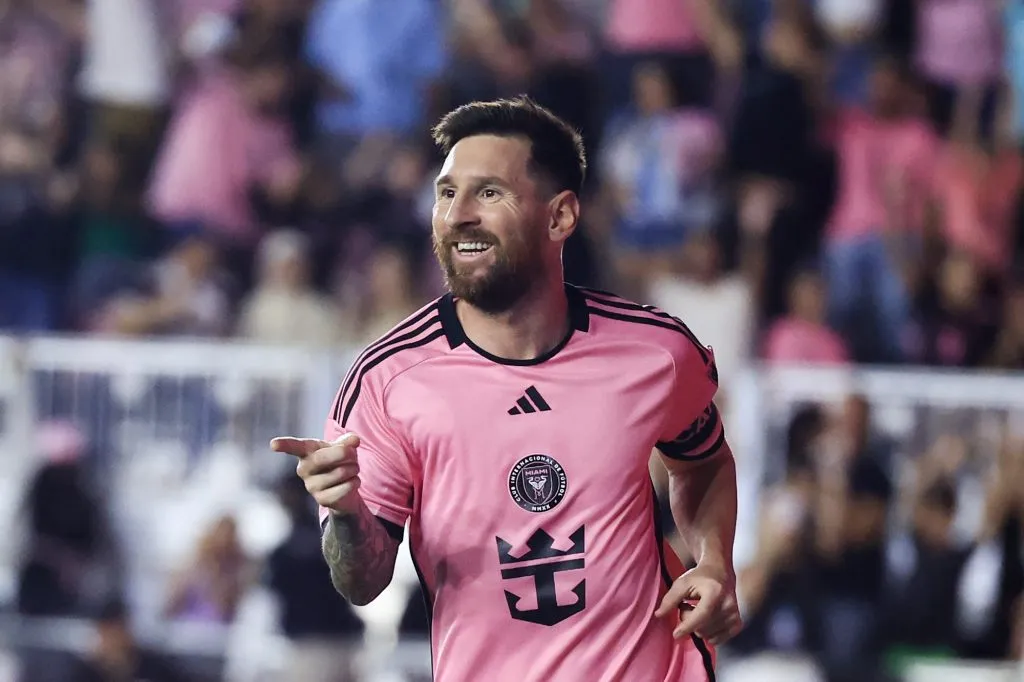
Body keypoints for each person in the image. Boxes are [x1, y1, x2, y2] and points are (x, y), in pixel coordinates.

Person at [272, 96, 741, 681]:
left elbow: (704, 462)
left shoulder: (656, 352)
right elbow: (361, 583)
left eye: (489, 193)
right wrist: (344, 512)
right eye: (447, 193)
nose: (458, 215)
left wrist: (715, 562)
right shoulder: (387, 380)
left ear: (559, 216)